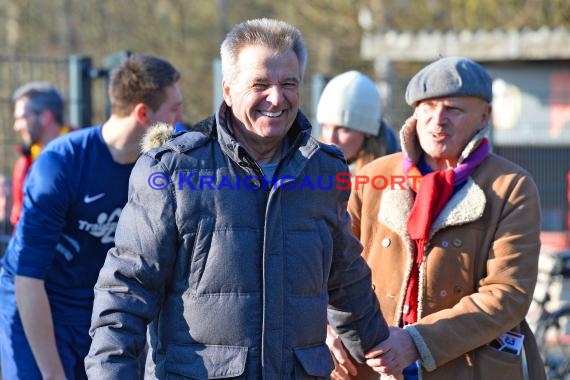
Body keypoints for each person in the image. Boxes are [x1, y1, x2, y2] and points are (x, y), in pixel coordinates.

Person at [85, 18, 392, 379]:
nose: (276, 98)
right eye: (260, 84)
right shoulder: (173, 170)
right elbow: (125, 291)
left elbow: (346, 277)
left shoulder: (324, 171)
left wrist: (386, 349)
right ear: (228, 91)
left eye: (288, 84)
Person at [328, 56, 546, 379]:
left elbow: (507, 294)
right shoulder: (372, 177)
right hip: (368, 368)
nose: (437, 120)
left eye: (453, 110)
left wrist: (417, 341)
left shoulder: (512, 187)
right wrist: (326, 325)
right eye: (427, 107)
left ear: (484, 116)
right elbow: (327, 266)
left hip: (467, 369)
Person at [0, 54, 183, 380]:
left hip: (95, 305)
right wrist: (52, 373)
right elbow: (28, 278)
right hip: (36, 304)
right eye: (174, 110)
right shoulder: (61, 163)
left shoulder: (162, 164)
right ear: (143, 114)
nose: (180, 120)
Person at [10, 82, 71, 229]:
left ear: (45, 117)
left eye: (22, 117)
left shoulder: (85, 156)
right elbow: (19, 222)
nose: (16, 127)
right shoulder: (24, 164)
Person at [317, 70, 400, 174]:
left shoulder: (397, 179)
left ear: (367, 132)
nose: (331, 138)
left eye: (342, 128)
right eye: (326, 127)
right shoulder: (311, 171)